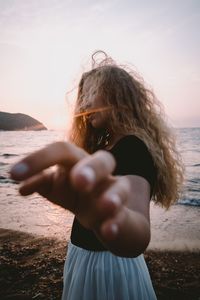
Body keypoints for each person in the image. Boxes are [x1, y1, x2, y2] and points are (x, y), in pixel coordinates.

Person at [10, 51, 183, 300]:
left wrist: (104, 216)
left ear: (116, 97)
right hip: (87, 260)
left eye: (91, 94)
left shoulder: (132, 147)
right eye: (83, 98)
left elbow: (138, 235)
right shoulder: (107, 147)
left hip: (107, 269)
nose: (84, 105)